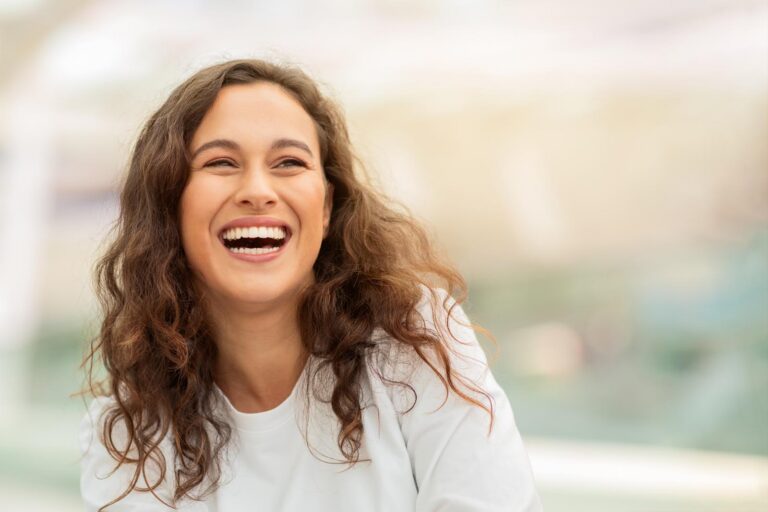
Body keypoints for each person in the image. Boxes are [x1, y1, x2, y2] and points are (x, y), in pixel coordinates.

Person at [79, 58, 542, 511]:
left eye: (288, 162)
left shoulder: (417, 341)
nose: (257, 191)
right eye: (220, 162)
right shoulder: (127, 432)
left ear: (325, 209)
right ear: (170, 205)